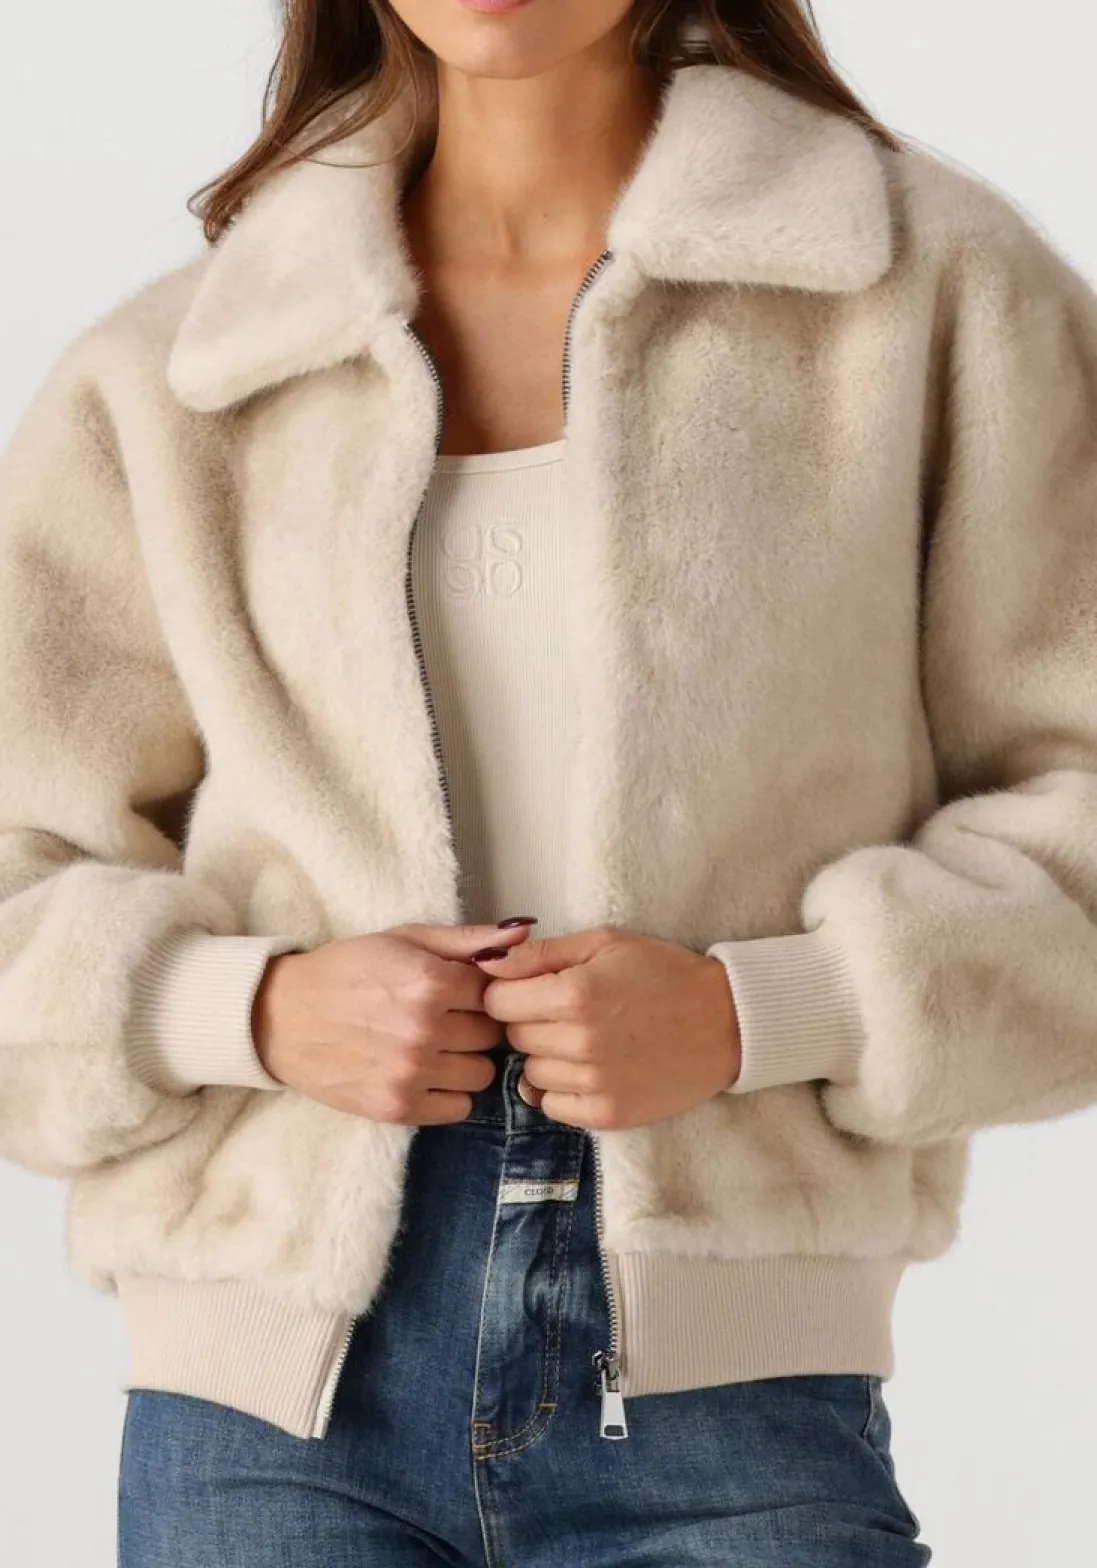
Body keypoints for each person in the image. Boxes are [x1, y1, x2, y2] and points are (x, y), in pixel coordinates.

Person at [5, 0, 1097, 1561]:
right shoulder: (185, 371)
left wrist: (761, 1011)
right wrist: (251, 1008)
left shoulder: (930, 295)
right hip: (267, 1402)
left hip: (731, 1388)